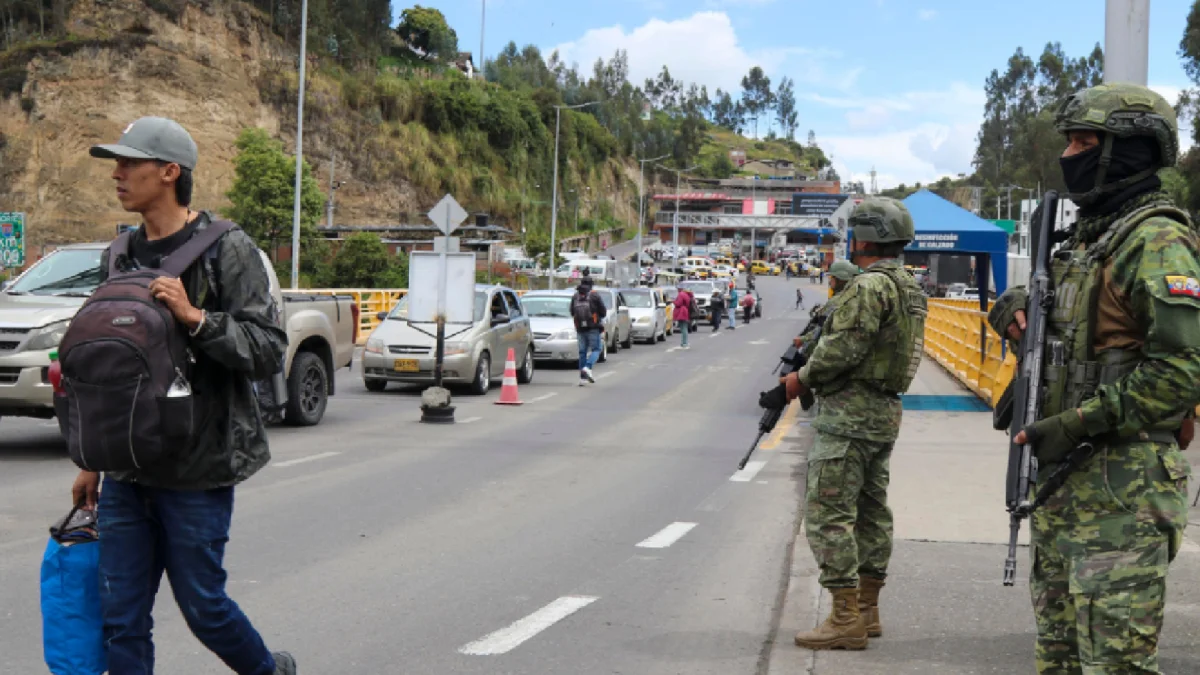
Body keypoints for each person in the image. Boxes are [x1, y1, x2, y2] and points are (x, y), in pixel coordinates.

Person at [70, 117, 295, 674]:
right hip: (127, 472)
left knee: (204, 609)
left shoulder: (228, 249)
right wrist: (91, 461)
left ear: (170, 172)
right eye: (116, 164)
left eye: (130, 163)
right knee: (121, 619)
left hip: (198, 469)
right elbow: (106, 373)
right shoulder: (118, 255)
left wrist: (196, 318)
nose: (117, 174)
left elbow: (268, 349)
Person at [989, 83, 1200, 674]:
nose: (1069, 156)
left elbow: (1183, 369)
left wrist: (1079, 422)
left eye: (1085, 143)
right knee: (1058, 657)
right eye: (1071, 143)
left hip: (1122, 488)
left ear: (1127, 151)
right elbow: (1052, 312)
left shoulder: (1155, 240)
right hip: (1065, 482)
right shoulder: (1088, 239)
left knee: (1116, 664)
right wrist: (1011, 307)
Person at [783, 196, 926, 652]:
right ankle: (867, 609)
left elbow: (841, 349)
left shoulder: (868, 287)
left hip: (849, 415)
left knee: (829, 514)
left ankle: (845, 618)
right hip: (883, 413)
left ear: (863, 238)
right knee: (870, 512)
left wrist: (800, 379)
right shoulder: (909, 286)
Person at [571, 276, 607, 385]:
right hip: (593, 327)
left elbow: (572, 311)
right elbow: (603, 311)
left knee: (582, 352)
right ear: (591, 285)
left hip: (580, 328)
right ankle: (587, 367)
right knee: (596, 349)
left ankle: (582, 379)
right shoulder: (594, 295)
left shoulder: (575, 296)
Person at [673, 283, 694, 349]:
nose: (677, 290)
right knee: (684, 327)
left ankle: (684, 343)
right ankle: (684, 342)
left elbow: (678, 303)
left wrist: (673, 302)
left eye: (678, 288)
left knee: (683, 328)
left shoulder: (681, 294)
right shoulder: (686, 295)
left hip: (681, 312)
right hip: (685, 311)